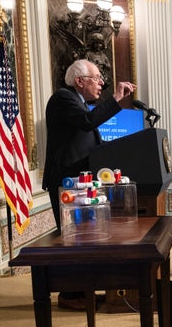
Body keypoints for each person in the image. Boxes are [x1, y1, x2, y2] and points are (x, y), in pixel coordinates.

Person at [44, 59, 136, 231]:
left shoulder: (80, 103)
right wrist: (116, 98)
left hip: (81, 179)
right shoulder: (63, 97)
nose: (102, 82)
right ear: (80, 81)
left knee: (87, 233)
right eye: (96, 78)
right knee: (74, 235)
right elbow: (88, 122)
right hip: (68, 180)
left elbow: (91, 140)